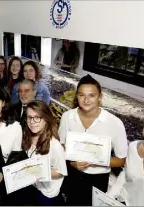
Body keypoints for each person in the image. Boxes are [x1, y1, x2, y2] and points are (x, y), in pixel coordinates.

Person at [58, 74, 128, 206]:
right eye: (81, 95)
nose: (86, 100)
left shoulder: (114, 123)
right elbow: (61, 145)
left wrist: (95, 161)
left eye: (92, 95)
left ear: (100, 97)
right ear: (76, 96)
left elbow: (121, 160)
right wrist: (72, 163)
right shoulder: (67, 117)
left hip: (97, 179)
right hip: (73, 173)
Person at [23, 100, 67, 205]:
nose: (32, 121)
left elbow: (61, 172)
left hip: (46, 193)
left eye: (37, 117)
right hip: (32, 186)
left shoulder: (55, 146)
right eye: (29, 117)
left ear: (46, 119)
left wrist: (40, 171)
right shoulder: (27, 137)